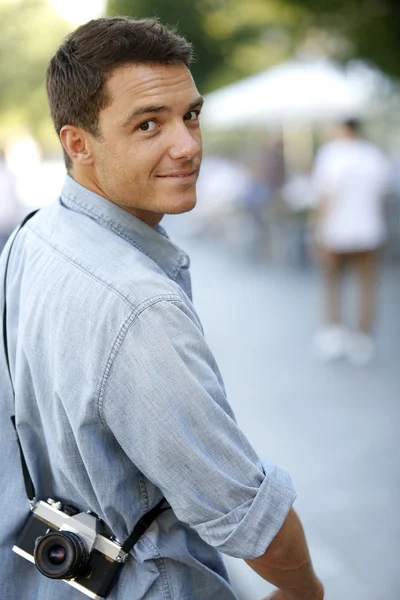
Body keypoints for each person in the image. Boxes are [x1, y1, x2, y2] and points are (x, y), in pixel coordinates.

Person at [0, 17, 323, 600]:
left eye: (191, 114)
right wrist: (306, 592)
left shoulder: (33, 234)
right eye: (149, 123)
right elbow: (245, 513)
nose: (188, 145)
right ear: (78, 143)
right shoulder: (138, 307)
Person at [312, 119, 391, 364]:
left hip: (337, 229)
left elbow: (327, 195)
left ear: (342, 127)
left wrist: (317, 229)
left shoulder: (332, 154)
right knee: (366, 285)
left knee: (332, 282)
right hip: (369, 229)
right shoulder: (373, 154)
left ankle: (334, 334)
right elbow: (383, 194)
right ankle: (363, 339)